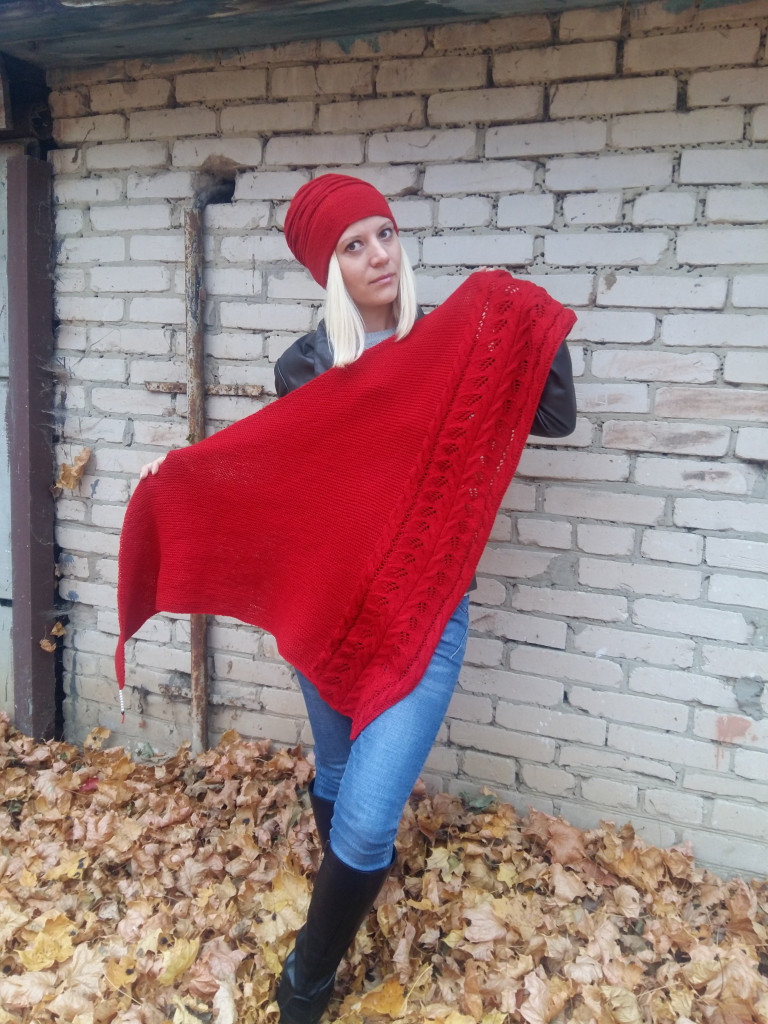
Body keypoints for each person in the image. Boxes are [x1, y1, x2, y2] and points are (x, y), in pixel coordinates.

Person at [136, 173, 576, 1024]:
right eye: (353, 244)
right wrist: (181, 475)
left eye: (386, 234)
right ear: (327, 267)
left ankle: (307, 978)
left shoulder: (454, 346)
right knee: (336, 772)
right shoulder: (303, 366)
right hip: (330, 615)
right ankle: (347, 886)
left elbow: (552, 415)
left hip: (427, 615)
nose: (379, 254)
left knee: (371, 821)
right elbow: (280, 479)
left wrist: (529, 325)